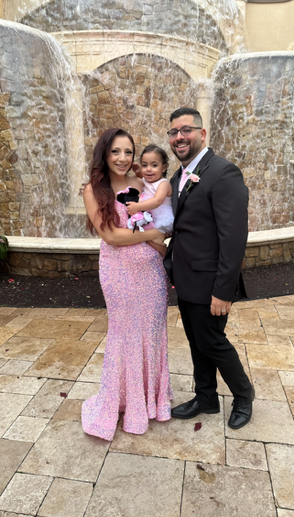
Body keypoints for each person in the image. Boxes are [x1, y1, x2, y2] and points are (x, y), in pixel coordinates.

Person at [164, 107, 254, 430]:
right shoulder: (178, 176)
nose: (179, 137)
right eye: (173, 132)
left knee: (213, 342)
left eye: (185, 130)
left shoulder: (223, 172)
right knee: (196, 342)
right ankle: (206, 397)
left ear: (202, 134)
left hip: (211, 284)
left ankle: (244, 395)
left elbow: (234, 239)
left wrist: (223, 291)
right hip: (186, 281)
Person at [81, 128, 173, 441]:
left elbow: (159, 217)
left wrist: (161, 244)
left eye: (128, 152)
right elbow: (111, 236)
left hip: (151, 273)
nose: (123, 158)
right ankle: (124, 403)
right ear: (104, 155)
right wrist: (151, 237)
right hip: (118, 273)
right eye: (116, 152)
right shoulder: (93, 190)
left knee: (152, 333)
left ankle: (150, 402)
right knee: (124, 335)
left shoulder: (140, 184)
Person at [126, 144, 174, 234]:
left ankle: (161, 248)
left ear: (164, 167)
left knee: (153, 236)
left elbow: (157, 201)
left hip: (160, 216)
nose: (148, 169)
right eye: (144, 165)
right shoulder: (147, 180)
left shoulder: (164, 184)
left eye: (154, 165)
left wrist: (137, 206)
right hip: (148, 214)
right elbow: (142, 178)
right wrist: (137, 173)